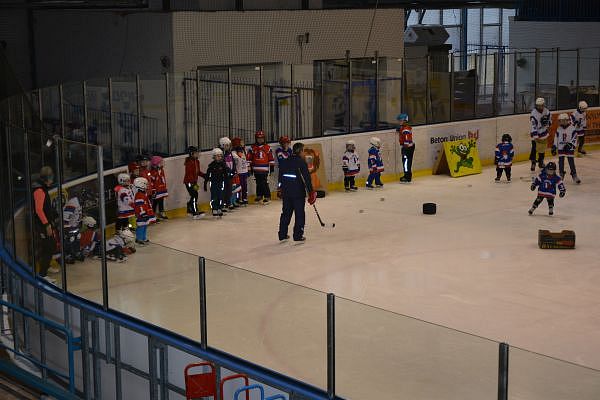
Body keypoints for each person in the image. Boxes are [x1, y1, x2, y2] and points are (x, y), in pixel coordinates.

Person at [278, 142, 316, 242]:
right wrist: (311, 192)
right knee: (299, 214)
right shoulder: (301, 163)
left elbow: (280, 177)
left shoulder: (285, 161)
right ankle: (298, 235)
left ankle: (282, 234)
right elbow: (306, 179)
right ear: (300, 151)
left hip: (286, 193)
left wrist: (279, 188)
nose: (304, 153)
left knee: (286, 213)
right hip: (298, 194)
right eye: (303, 151)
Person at [32, 166, 58, 283]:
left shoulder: (42, 187)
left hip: (45, 223)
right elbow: (38, 210)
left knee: (51, 245)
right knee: (49, 246)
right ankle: (42, 274)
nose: (52, 181)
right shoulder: (39, 190)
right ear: (46, 178)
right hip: (42, 225)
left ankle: (46, 266)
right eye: (51, 178)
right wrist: (47, 225)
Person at [552, 113, 581, 184]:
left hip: (569, 148)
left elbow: (575, 138)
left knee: (571, 161)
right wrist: (554, 146)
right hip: (561, 147)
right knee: (561, 161)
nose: (562, 122)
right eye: (561, 121)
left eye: (564, 120)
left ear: (567, 120)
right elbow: (556, 138)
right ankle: (561, 174)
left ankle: (574, 175)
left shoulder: (572, 128)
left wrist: (570, 145)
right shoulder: (559, 129)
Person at [248, 130, 275, 204]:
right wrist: (250, 169)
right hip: (256, 169)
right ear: (256, 139)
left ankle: (267, 197)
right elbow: (249, 159)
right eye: (258, 138)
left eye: (262, 138)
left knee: (264, 183)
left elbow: (271, 159)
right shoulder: (252, 148)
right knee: (258, 183)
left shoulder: (268, 148)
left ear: (264, 138)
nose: (260, 140)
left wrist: (272, 169)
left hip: (264, 169)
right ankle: (259, 196)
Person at [204, 148, 228, 218]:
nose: (219, 157)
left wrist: (226, 182)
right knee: (214, 196)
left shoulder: (223, 165)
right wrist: (205, 183)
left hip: (221, 182)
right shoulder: (211, 165)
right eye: (218, 156)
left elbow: (225, 174)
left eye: (220, 156)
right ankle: (214, 208)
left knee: (220, 195)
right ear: (214, 157)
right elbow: (207, 175)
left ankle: (220, 208)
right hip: (213, 183)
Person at [183, 146, 206, 219]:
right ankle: (194, 212)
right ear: (191, 154)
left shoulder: (197, 161)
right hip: (189, 182)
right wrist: (192, 182)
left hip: (194, 182)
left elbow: (198, 172)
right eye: (196, 153)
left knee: (195, 195)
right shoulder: (189, 162)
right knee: (194, 195)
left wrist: (204, 175)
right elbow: (189, 173)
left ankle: (189, 208)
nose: (198, 154)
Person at [529, 97, 551, 171]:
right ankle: (533, 162)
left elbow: (550, 121)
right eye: (538, 105)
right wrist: (536, 135)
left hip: (543, 133)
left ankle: (541, 162)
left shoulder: (546, 111)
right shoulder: (533, 113)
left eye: (541, 105)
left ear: (543, 105)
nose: (540, 107)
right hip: (536, 134)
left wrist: (547, 124)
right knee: (534, 148)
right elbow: (533, 126)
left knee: (542, 148)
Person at [62, 191, 84, 264]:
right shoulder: (72, 203)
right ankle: (67, 255)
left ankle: (76, 252)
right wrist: (66, 229)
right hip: (68, 226)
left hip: (74, 225)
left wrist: (79, 224)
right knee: (69, 239)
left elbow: (78, 215)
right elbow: (65, 218)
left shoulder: (79, 203)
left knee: (77, 238)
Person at [133, 177, 155, 245]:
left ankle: (143, 238)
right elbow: (139, 205)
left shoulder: (143, 193)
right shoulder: (139, 195)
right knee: (141, 226)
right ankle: (139, 239)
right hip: (141, 214)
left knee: (145, 225)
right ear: (141, 184)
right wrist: (143, 213)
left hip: (145, 213)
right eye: (146, 184)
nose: (147, 185)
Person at [397, 113, 415, 183]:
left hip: (407, 148)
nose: (399, 122)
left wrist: (405, 148)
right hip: (409, 147)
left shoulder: (405, 130)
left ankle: (407, 177)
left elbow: (407, 139)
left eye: (400, 120)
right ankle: (407, 175)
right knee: (407, 162)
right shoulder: (405, 128)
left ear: (405, 121)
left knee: (406, 162)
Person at [219, 137, 236, 211]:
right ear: (222, 145)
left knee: (229, 190)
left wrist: (233, 170)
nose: (228, 147)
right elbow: (223, 164)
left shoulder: (230, 153)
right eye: (226, 145)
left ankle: (228, 203)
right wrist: (228, 170)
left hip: (229, 175)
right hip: (223, 176)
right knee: (223, 190)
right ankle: (222, 204)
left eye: (228, 145)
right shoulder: (221, 154)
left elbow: (233, 162)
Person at [232, 137, 250, 205]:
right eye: (241, 142)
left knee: (244, 186)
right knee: (239, 187)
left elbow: (246, 160)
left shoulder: (244, 150)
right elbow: (236, 160)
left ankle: (244, 198)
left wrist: (248, 169)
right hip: (239, 172)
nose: (243, 143)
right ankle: (238, 199)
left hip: (244, 171)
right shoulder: (233, 153)